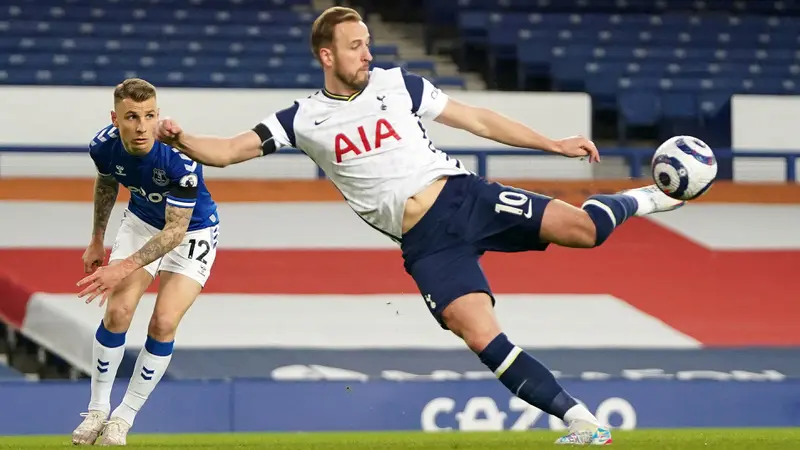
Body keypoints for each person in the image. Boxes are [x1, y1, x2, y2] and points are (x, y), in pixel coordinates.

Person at [155, 7, 684, 445]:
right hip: (427, 245)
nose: (367, 53)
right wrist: (178, 136)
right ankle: (582, 422)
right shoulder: (302, 119)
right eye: (356, 45)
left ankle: (646, 198)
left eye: (368, 43)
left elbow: (476, 119)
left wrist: (552, 143)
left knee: (583, 232)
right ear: (327, 54)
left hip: (464, 195)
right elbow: (226, 151)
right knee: (478, 333)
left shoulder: (398, 85)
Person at [72, 78, 220, 446]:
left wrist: (121, 266)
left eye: (150, 116)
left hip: (192, 232)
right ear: (115, 117)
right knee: (118, 311)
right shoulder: (102, 146)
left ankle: (124, 417)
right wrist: (96, 240)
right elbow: (107, 184)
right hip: (141, 221)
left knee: (164, 321)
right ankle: (97, 410)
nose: (142, 127)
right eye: (132, 117)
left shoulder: (180, 159)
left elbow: (174, 232)